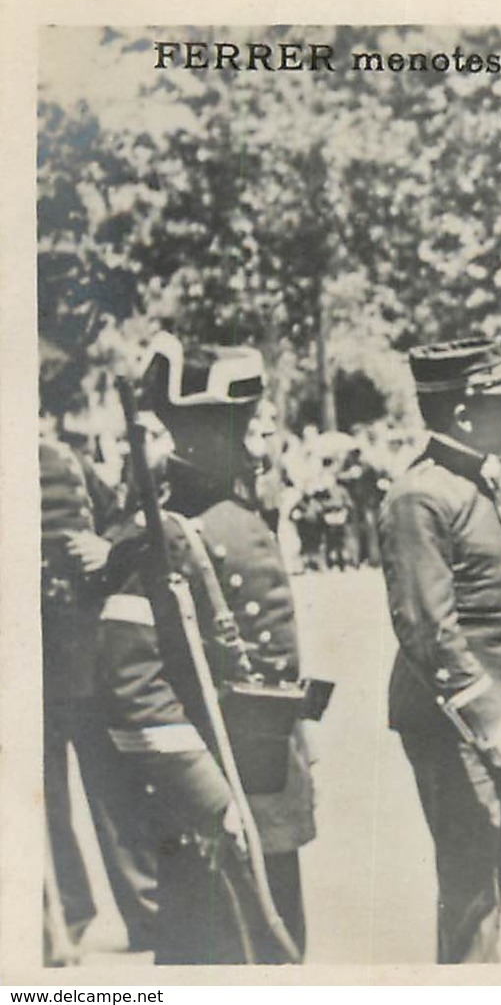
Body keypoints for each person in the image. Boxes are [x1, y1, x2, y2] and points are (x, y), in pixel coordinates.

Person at [97, 333, 317, 964]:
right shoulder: (162, 539)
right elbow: (133, 686)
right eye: (250, 417)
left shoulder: (241, 516)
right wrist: (207, 796)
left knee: (277, 951)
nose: (268, 427)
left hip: (268, 787)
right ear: (207, 432)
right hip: (216, 800)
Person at [379, 336, 501, 964]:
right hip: (457, 726)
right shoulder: (422, 495)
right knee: (473, 892)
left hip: (488, 722)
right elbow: (426, 626)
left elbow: (485, 594)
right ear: (466, 413)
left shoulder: (467, 484)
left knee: (490, 883)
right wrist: (491, 718)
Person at [40, 423, 160, 959]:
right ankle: (62, 916)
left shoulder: (59, 458)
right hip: (26, 660)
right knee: (41, 799)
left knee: (112, 786)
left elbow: (125, 521)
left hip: (82, 648)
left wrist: (104, 546)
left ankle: (148, 910)